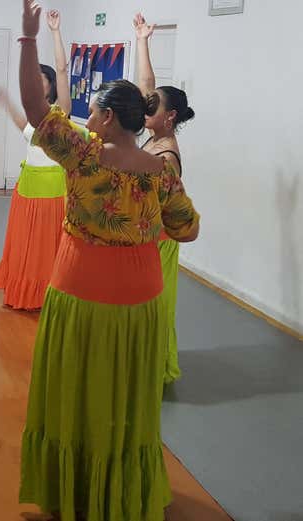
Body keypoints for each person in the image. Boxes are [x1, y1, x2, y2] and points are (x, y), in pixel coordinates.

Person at [16, 2, 200, 520]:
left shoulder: (82, 153)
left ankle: (73, 485)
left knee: (78, 390)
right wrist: (144, 227)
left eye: (94, 111)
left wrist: (29, 40)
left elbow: (35, 108)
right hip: (140, 299)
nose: (88, 117)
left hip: (80, 291)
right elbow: (187, 228)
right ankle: (120, 487)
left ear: (109, 117)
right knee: (124, 397)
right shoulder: (161, 170)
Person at [0, 9, 71, 311]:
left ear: (51, 84)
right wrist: (8, 103)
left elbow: (63, 69)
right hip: (27, 189)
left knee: (44, 248)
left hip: (53, 192)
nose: (36, 84)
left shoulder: (59, 113)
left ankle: (45, 293)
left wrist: (53, 32)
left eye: (42, 79)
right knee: (26, 245)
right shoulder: (34, 118)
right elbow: (22, 126)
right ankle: (23, 289)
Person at [134, 12, 196, 384]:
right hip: (147, 237)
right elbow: (147, 85)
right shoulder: (154, 139)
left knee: (154, 306)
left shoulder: (166, 155)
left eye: (152, 106)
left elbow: (167, 208)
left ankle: (153, 366)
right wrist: (142, 39)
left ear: (169, 116)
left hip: (159, 240)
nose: (145, 108)